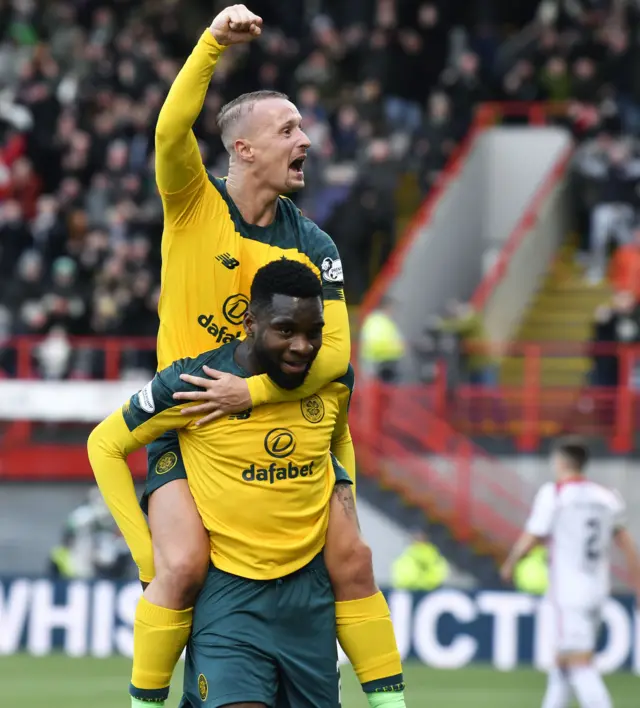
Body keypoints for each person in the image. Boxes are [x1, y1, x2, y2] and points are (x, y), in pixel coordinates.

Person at [100, 5, 404, 708]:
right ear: (244, 149)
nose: (307, 139)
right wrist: (210, 44)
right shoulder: (191, 206)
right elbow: (170, 129)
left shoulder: (315, 246)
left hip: (281, 417)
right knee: (180, 566)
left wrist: (254, 395)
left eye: (303, 127)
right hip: (192, 420)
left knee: (353, 557)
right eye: (289, 129)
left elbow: (332, 358)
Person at [89, 260, 353, 707]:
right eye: (286, 330)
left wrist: (345, 510)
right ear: (250, 323)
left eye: (314, 333)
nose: (303, 347)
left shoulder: (329, 379)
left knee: (358, 558)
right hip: (228, 595)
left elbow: (340, 439)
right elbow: (105, 445)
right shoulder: (195, 383)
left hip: (305, 597)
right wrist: (147, 558)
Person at [500, 437, 640, 708]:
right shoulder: (606, 497)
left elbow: (534, 534)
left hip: (567, 592)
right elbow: (627, 545)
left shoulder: (555, 494)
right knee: (562, 664)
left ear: (561, 461)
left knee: (578, 662)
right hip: (598, 590)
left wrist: (512, 561)